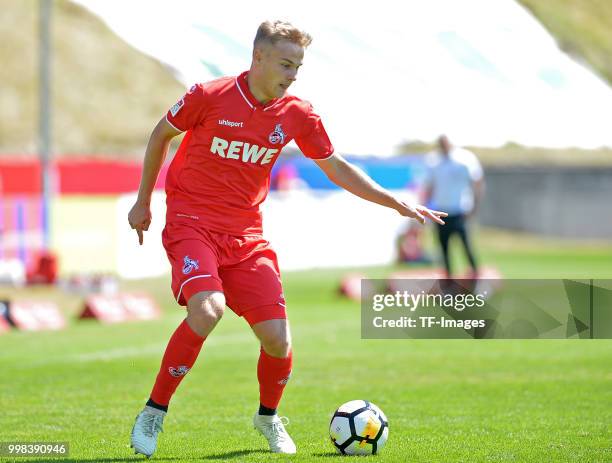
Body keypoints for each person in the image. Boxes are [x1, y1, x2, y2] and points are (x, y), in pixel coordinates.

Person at [127, 20, 447, 458]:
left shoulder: (297, 113)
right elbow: (161, 134)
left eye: (298, 66)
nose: (292, 74)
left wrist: (393, 202)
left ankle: (268, 417)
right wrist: (143, 202)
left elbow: (335, 167)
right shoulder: (208, 95)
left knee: (278, 339)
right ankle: (154, 411)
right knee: (208, 309)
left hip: (247, 235)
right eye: (285, 63)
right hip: (192, 222)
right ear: (258, 58)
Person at [424, 134, 484, 278]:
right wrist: (427, 209)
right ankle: (449, 280)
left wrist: (475, 206)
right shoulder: (433, 161)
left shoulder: (465, 159)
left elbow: (477, 182)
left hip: (460, 210)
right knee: (443, 249)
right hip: (440, 211)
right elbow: (429, 187)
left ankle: (476, 277)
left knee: (466, 246)